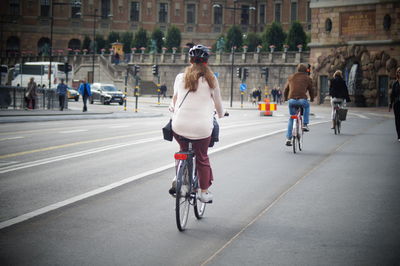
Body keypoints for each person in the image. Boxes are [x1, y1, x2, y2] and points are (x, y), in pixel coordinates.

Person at [169, 44, 226, 203]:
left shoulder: (180, 77)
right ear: (206, 62)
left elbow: (175, 100)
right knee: (202, 157)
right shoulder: (211, 79)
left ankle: (179, 176)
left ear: (190, 60)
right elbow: (218, 103)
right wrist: (221, 114)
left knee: (183, 149)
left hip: (179, 126)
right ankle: (204, 192)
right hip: (201, 129)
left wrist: (173, 108)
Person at [284, 63, 314, 146]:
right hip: (302, 100)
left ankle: (288, 138)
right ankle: (305, 124)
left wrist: (285, 99)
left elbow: (286, 89)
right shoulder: (308, 78)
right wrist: (312, 98)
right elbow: (311, 90)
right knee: (307, 106)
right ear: (305, 70)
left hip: (292, 100)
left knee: (292, 117)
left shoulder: (291, 77)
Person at [389, 67, 400, 142]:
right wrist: (390, 104)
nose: (399, 73)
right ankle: (399, 135)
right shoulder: (395, 84)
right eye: (399, 72)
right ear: (397, 73)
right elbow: (392, 94)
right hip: (397, 104)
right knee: (398, 120)